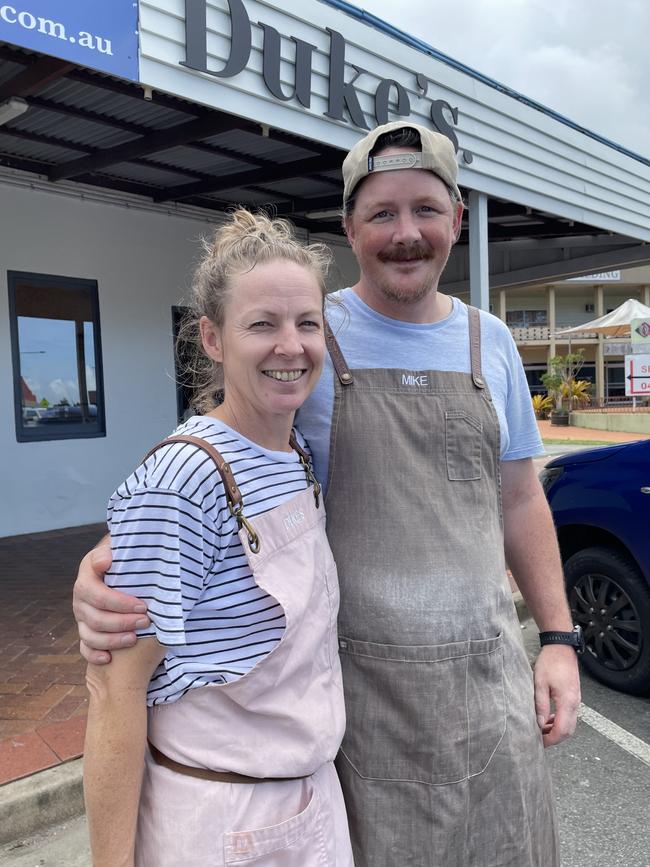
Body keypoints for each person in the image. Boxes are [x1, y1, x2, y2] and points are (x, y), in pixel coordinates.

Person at [74, 122, 581, 866]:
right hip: (361, 705)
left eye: (425, 210)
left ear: (457, 222)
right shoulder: (313, 333)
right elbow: (202, 475)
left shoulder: (493, 341)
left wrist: (560, 638)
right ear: (350, 227)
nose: (405, 233)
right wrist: (105, 567)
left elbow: (519, 498)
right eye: (381, 213)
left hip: (489, 681)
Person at [82, 209, 353, 866]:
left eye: (306, 323)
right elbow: (114, 692)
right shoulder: (183, 476)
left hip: (311, 802)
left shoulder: (296, 454)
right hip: (219, 820)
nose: (291, 346)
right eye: (262, 324)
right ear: (212, 338)